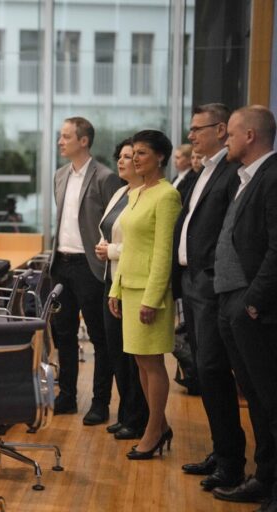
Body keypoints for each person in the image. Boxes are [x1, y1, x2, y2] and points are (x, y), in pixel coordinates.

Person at [173, 103, 246, 491]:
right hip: (191, 281)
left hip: (209, 283)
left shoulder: (232, 172)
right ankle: (221, 451)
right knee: (204, 372)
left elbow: (233, 231)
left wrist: (213, 275)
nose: (191, 136)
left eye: (197, 129)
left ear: (220, 130)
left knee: (215, 372)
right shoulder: (203, 171)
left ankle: (232, 462)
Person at [210, 106, 277, 510]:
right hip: (235, 299)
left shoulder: (272, 177)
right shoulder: (247, 178)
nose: (226, 140)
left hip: (256, 306)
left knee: (271, 401)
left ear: (250, 135)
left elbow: (276, 247)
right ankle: (264, 477)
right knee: (255, 397)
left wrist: (253, 301)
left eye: (231, 134)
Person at [108, 130, 181, 459]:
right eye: (132, 153)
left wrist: (152, 299)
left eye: (142, 154)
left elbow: (163, 252)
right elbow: (130, 248)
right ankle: (159, 423)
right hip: (129, 286)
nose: (135, 158)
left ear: (160, 158)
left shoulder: (167, 195)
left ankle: (154, 430)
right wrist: (116, 287)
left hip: (151, 293)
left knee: (152, 364)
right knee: (140, 362)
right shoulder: (136, 193)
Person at [51, 116, 122, 425]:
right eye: (60, 136)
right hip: (61, 265)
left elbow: (115, 224)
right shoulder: (59, 175)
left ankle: (100, 401)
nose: (60, 141)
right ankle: (66, 396)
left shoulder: (105, 177)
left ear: (84, 141)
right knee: (63, 334)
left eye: (66, 136)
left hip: (91, 267)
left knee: (99, 338)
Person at [95, 139, 149, 441]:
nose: (122, 161)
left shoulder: (145, 196)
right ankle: (126, 412)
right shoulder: (119, 192)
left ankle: (138, 417)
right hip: (111, 280)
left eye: (130, 156)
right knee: (116, 350)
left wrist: (112, 250)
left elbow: (144, 244)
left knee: (133, 357)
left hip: (130, 280)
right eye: (121, 156)